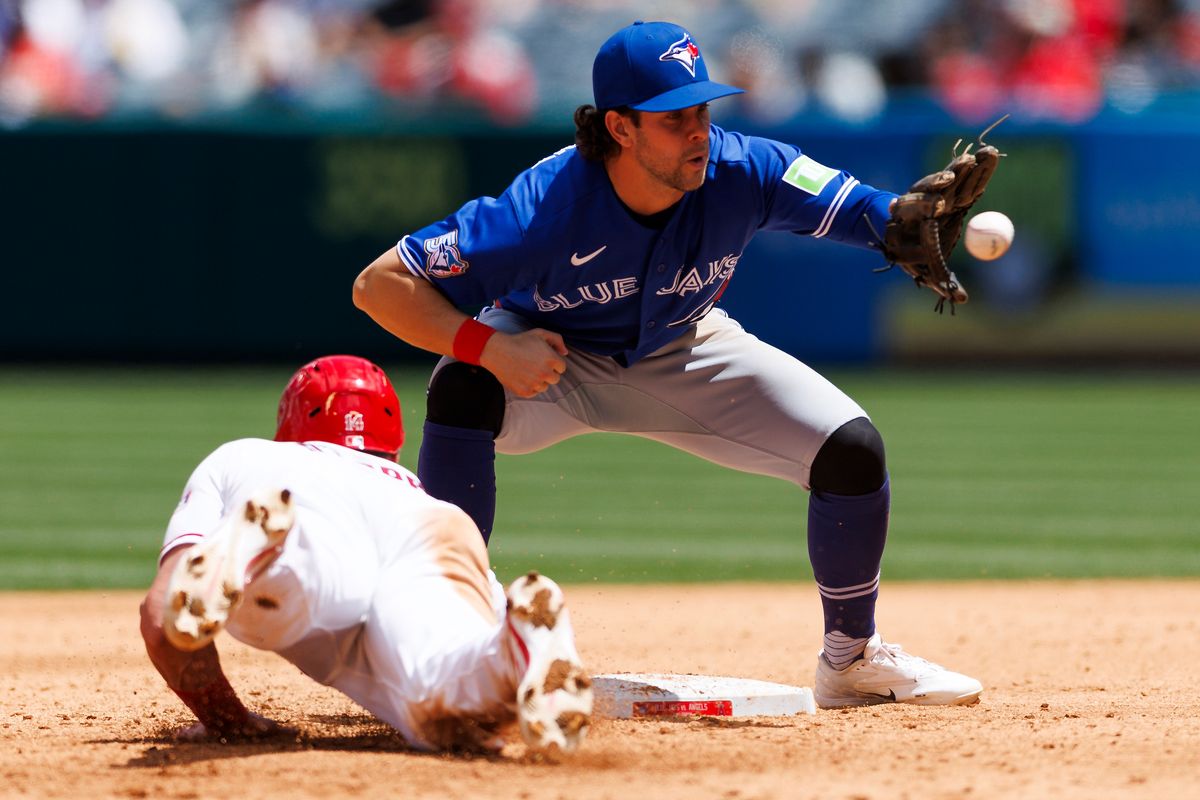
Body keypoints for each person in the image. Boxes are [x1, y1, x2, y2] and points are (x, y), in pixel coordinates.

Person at [352, 21, 984, 709]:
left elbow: (862, 208)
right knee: (462, 385)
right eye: (674, 118)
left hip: (686, 347)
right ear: (620, 128)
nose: (698, 132)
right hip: (552, 358)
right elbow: (379, 285)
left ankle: (851, 660)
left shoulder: (743, 168)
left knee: (852, 448)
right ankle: (445, 646)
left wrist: (897, 220)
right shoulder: (540, 211)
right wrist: (490, 346)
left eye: (703, 112)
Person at [138, 355, 593, 754]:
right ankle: (510, 651)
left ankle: (265, 559)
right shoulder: (412, 490)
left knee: (292, 597)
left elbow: (161, 618)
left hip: (301, 513)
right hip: (434, 529)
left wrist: (229, 724)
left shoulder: (248, 458)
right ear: (391, 438)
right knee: (451, 705)